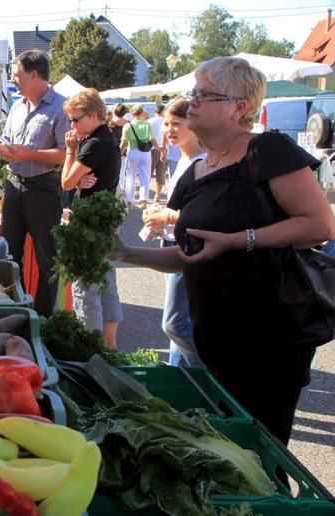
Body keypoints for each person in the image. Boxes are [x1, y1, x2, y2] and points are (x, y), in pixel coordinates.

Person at [110, 57, 335, 444]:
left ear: (239, 108)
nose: (190, 100)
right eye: (192, 92)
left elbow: (320, 226)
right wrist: (124, 254)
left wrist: (238, 240)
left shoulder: (267, 151)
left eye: (203, 94)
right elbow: (189, 256)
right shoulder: (197, 170)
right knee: (220, 445)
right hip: (211, 337)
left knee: (259, 449)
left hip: (268, 340)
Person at [0, 49, 70, 316]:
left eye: (17, 75)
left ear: (34, 74)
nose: (14, 80)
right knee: (8, 257)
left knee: (47, 262)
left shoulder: (60, 107)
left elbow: (65, 154)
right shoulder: (17, 106)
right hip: (14, 187)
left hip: (44, 190)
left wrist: (27, 153)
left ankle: (41, 321)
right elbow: (9, 145)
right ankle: (10, 314)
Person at [141, 99, 206, 367]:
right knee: (179, 324)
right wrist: (162, 211)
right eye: (167, 123)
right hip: (173, 243)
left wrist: (166, 215)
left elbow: (204, 214)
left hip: (187, 249)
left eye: (177, 124)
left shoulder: (202, 161)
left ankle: (208, 379)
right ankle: (180, 380)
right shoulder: (184, 158)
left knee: (176, 324)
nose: (169, 129)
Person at [61, 88, 124, 347]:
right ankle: (110, 347)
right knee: (106, 285)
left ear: (95, 114)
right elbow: (80, 182)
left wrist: (69, 150)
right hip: (105, 222)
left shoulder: (93, 143)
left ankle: (92, 350)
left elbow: (65, 182)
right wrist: (80, 183)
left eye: (76, 119)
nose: (73, 125)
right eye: (71, 120)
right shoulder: (105, 138)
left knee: (86, 291)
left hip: (89, 225)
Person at [120, 106, 159, 209]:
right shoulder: (147, 125)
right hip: (146, 153)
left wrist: (119, 154)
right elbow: (152, 139)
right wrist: (158, 148)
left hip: (132, 151)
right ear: (142, 113)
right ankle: (144, 201)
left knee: (130, 176)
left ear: (132, 114)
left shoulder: (127, 126)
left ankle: (130, 201)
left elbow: (124, 142)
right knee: (145, 176)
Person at [147, 104, 167, 202]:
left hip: (152, 149)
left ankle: (145, 192)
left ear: (155, 111)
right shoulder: (166, 121)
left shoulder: (150, 121)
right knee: (161, 172)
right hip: (164, 148)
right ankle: (158, 195)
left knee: (149, 172)